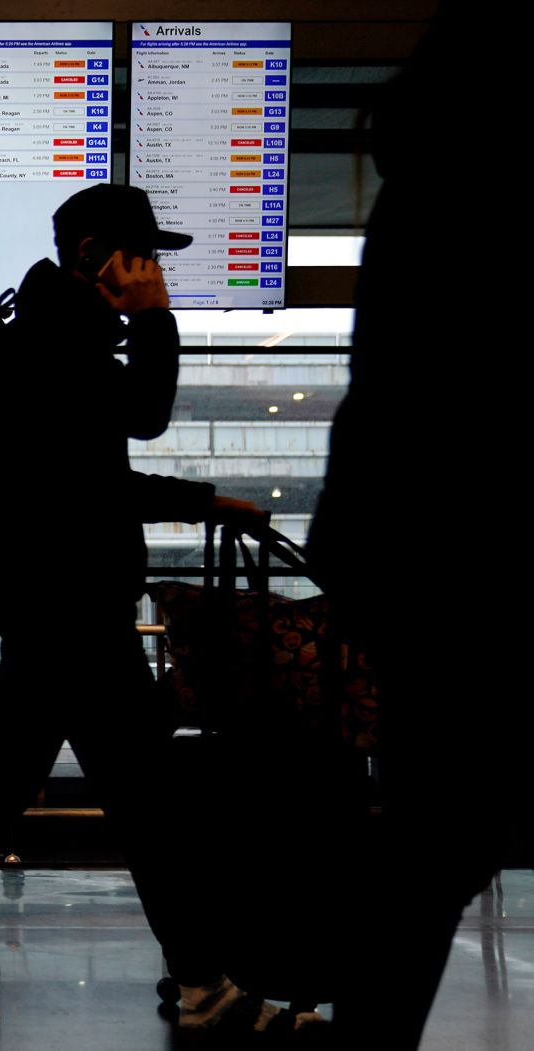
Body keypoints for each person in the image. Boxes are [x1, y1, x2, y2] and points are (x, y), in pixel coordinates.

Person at [0, 184, 313, 1041]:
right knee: (148, 803)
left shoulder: (40, 340)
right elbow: (142, 419)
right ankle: (204, 986)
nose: (153, 272)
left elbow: (86, 482)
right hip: (76, 609)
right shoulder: (61, 343)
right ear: (94, 254)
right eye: (142, 257)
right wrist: (155, 319)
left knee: (11, 791)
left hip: (49, 602)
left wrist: (202, 500)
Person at [308, 9, 520, 1047]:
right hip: (468, 559)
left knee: (433, 833)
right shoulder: (483, 199)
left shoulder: (419, 191)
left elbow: (387, 398)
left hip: (407, 554)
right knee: (440, 837)